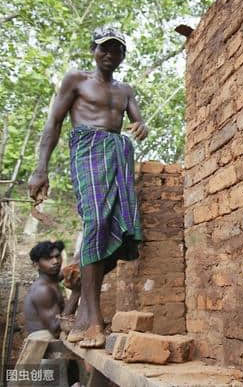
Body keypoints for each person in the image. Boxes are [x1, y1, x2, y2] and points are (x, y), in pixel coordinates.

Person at [28, 27, 147, 348]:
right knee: (95, 222)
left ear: (123, 56)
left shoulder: (126, 90)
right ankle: (93, 319)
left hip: (118, 156)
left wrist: (140, 125)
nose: (110, 54)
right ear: (93, 49)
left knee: (118, 230)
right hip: (88, 152)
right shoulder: (76, 80)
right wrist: (40, 170)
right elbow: (53, 123)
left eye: (117, 50)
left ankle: (83, 311)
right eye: (104, 48)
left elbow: (138, 122)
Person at [24, 241, 80, 338]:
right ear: (36, 265)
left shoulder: (51, 279)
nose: (55, 261)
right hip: (44, 341)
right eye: (48, 258)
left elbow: (64, 272)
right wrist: (76, 292)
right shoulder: (43, 290)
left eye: (57, 256)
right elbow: (56, 329)